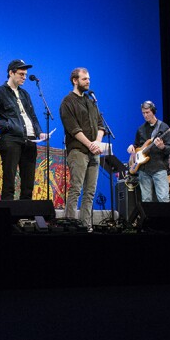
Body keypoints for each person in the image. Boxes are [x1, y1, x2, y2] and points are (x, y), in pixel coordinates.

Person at [0, 59, 46, 200]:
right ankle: (8, 217)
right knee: (9, 181)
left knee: (28, 183)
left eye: (25, 74)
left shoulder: (25, 94)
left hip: (30, 140)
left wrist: (39, 132)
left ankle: (26, 218)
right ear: (11, 73)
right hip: (11, 140)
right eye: (21, 74)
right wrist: (7, 125)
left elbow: (33, 116)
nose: (24, 77)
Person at [59, 67, 105, 228]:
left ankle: (86, 226)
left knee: (90, 192)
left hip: (94, 152)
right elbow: (73, 128)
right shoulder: (68, 102)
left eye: (89, 79)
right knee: (76, 190)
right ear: (75, 80)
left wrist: (97, 142)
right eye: (85, 79)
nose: (88, 81)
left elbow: (101, 124)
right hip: (78, 151)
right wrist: (90, 144)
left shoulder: (90, 101)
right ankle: (70, 225)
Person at [126, 100, 170, 203]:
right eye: (143, 113)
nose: (145, 115)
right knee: (146, 200)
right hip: (143, 169)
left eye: (147, 112)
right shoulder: (141, 129)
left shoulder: (163, 127)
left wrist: (162, 147)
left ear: (153, 111)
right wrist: (132, 147)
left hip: (159, 167)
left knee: (163, 199)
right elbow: (137, 145)